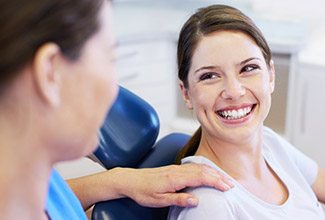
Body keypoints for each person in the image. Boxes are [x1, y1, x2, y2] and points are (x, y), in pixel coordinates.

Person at [0, 0, 236, 219]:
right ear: (51, 73)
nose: (115, 91)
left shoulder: (36, 177)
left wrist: (119, 181)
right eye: (110, 59)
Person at [168, 4, 325, 220]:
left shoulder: (270, 144)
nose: (234, 91)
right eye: (209, 76)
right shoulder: (207, 205)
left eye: (248, 68)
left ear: (270, 76)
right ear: (186, 93)